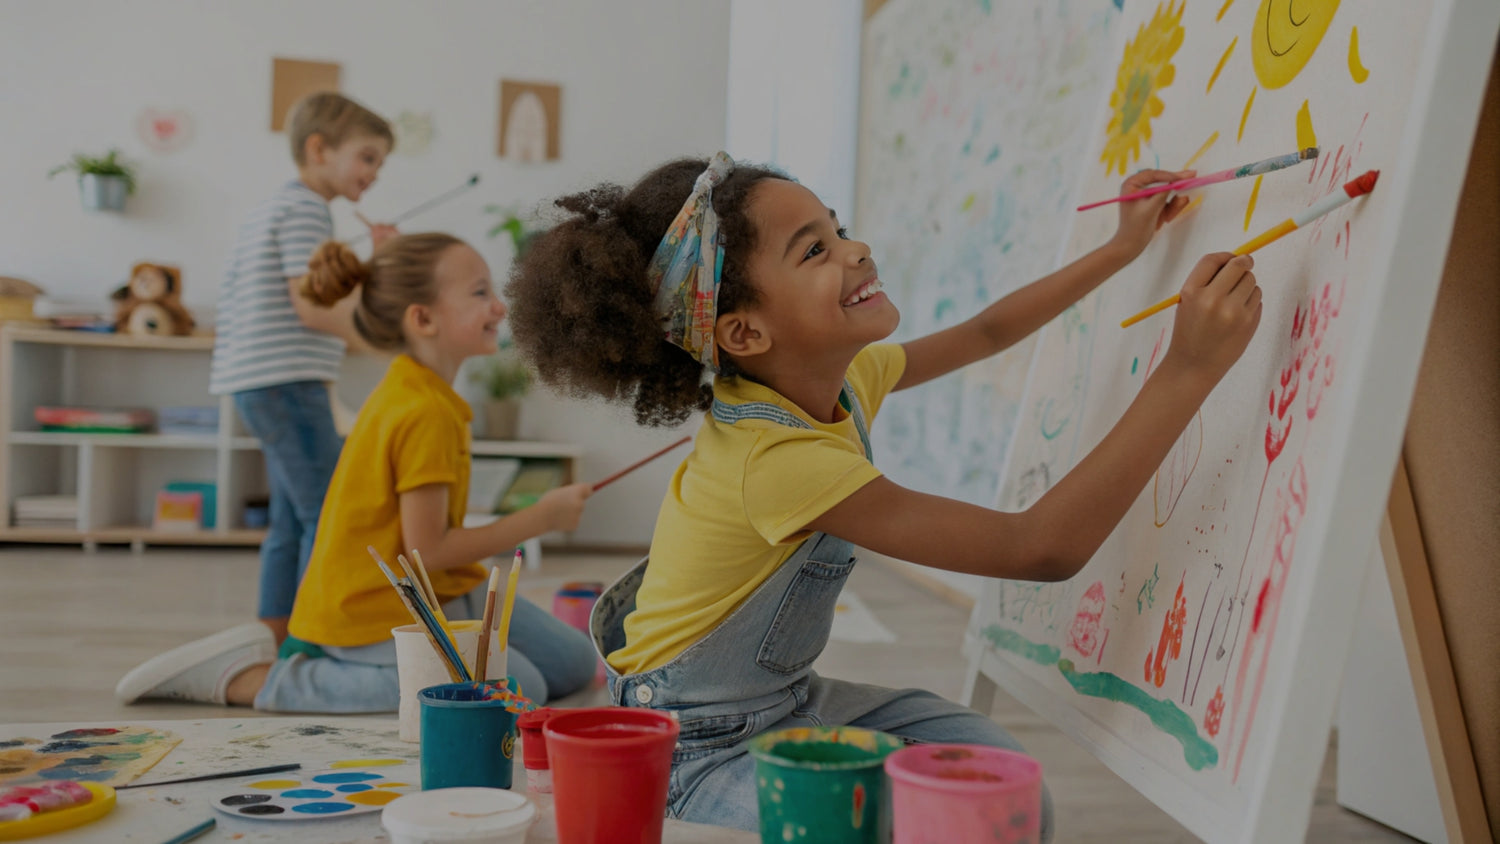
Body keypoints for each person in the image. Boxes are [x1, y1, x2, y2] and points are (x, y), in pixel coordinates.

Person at [503, 153, 1261, 836]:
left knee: (1004, 785)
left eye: (836, 230)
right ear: (743, 334)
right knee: (961, 819)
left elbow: (989, 331)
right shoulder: (775, 461)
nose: (855, 250)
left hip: (791, 703)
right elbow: (1041, 547)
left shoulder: (841, 380)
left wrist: (1124, 247)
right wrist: (1188, 369)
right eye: (815, 250)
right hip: (694, 747)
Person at [117, 234, 599, 711]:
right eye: (480, 294)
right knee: (522, 691)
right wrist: (543, 517)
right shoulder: (423, 411)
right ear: (422, 318)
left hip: (434, 590)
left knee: (574, 663)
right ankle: (264, 680)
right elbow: (427, 551)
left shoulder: (421, 389)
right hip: (373, 609)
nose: (498, 308)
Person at [209, 92, 400, 645]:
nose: (374, 173)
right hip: (286, 380)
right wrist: (381, 340)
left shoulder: (277, 207)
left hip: (262, 381)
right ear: (319, 149)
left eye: (379, 164)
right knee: (331, 513)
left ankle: (278, 632)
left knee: (293, 518)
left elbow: (314, 288)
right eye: (367, 157)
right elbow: (313, 305)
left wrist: (373, 261)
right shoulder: (307, 210)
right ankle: (317, 638)